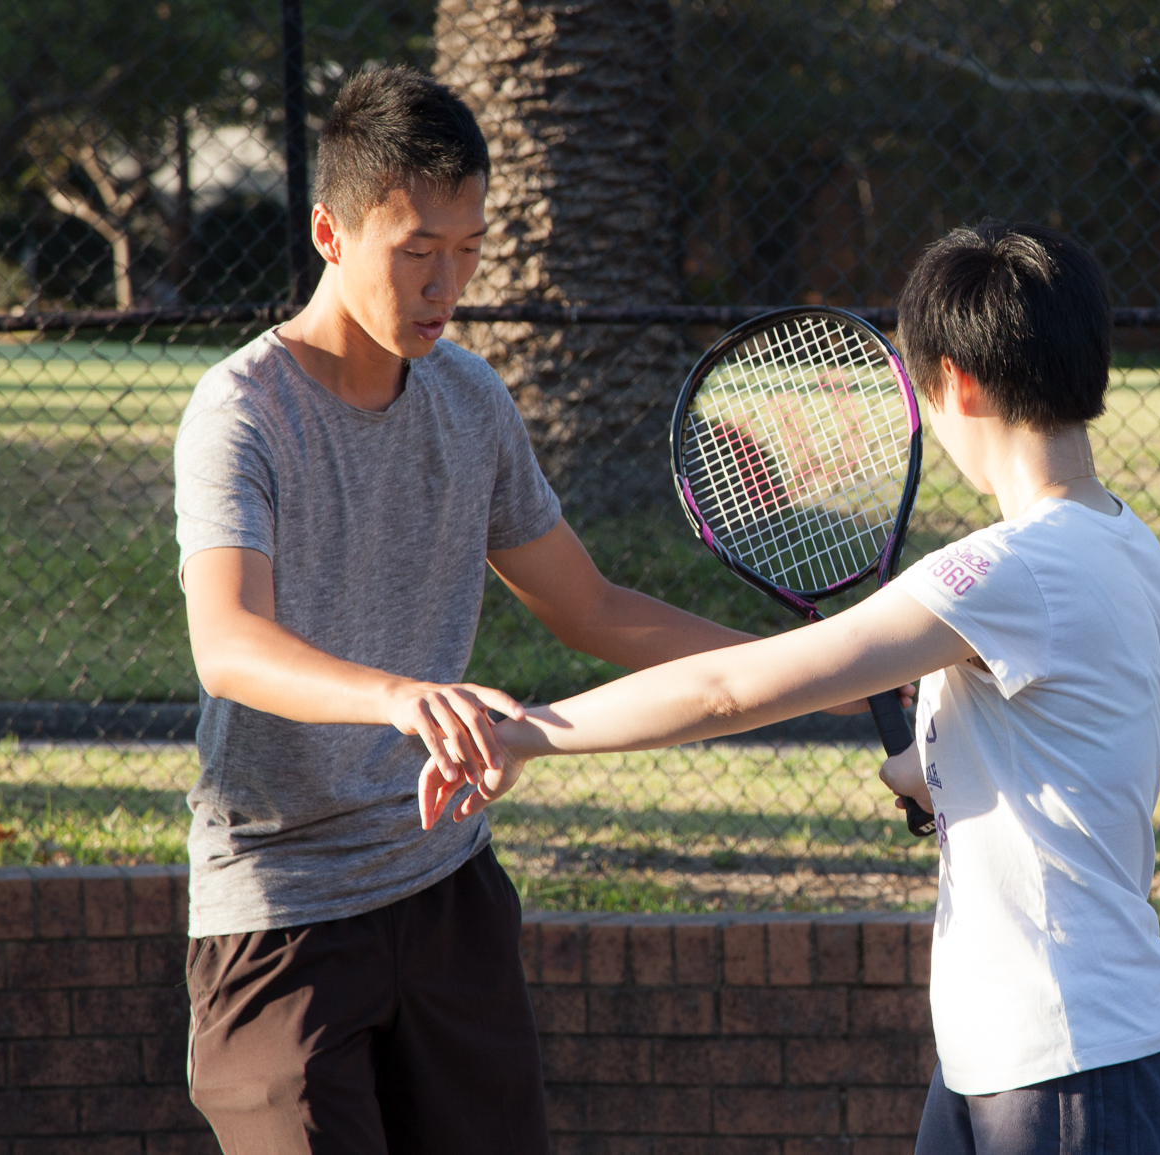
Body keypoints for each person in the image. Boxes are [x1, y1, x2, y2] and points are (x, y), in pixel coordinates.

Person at [425, 220, 1160, 1155]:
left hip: (1067, 1065)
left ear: (954, 380)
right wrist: (933, 771)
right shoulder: (1128, 545)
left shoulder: (1006, 573)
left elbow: (726, 690)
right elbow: (1070, 755)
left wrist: (526, 732)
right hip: (1020, 1053)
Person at [173, 64, 772, 1153]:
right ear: (331, 233)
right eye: (417, 253)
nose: (446, 284)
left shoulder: (471, 398)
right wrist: (398, 696)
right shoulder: (241, 412)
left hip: (446, 887)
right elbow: (230, 645)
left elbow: (588, 607)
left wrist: (812, 665)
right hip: (280, 907)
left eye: (469, 250)